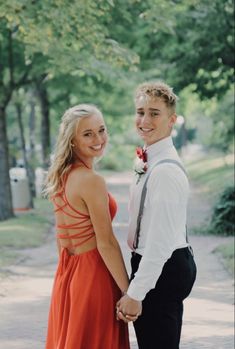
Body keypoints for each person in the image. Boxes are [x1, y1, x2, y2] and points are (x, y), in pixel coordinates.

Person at [44, 104, 132, 349]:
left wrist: (66, 277)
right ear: (71, 140)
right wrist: (129, 292)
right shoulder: (92, 181)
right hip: (95, 276)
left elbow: (60, 238)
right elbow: (106, 242)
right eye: (88, 134)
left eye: (101, 130)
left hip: (67, 275)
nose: (99, 139)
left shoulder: (60, 178)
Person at [116, 82, 197, 349]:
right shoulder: (149, 160)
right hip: (158, 265)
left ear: (172, 119)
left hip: (163, 268)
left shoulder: (164, 172)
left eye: (154, 113)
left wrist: (136, 293)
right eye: (140, 112)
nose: (144, 120)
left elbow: (159, 243)